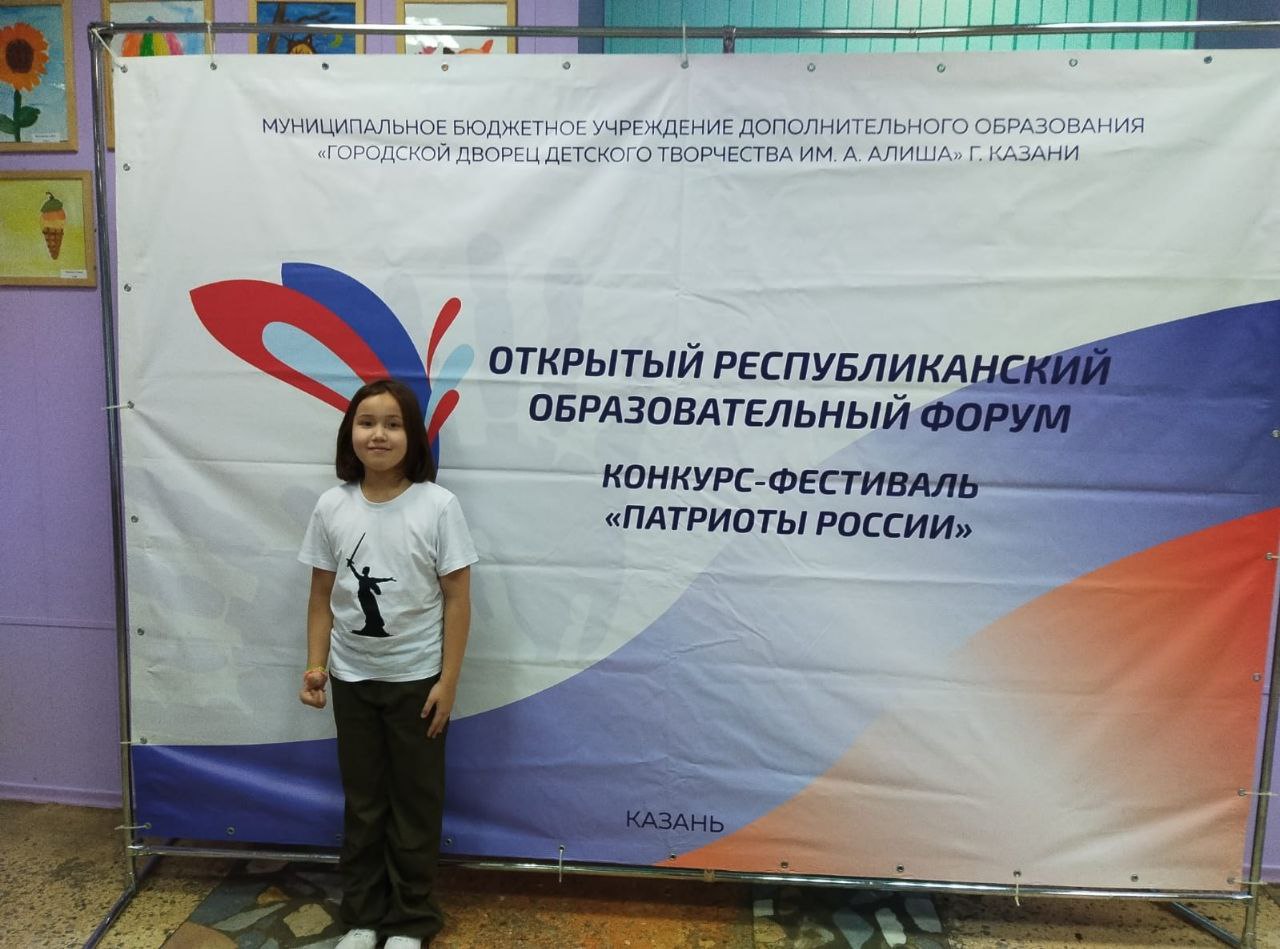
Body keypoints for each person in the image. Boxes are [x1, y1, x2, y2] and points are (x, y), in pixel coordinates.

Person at [297, 377, 477, 949]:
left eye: (393, 424)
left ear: (413, 437)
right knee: (365, 802)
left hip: (417, 682)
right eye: (367, 422)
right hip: (351, 680)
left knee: (415, 805)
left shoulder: (438, 506)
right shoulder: (332, 505)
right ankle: (364, 916)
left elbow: (457, 598)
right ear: (349, 433)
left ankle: (409, 921)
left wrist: (448, 682)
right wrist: (316, 665)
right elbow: (321, 595)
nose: (379, 434)